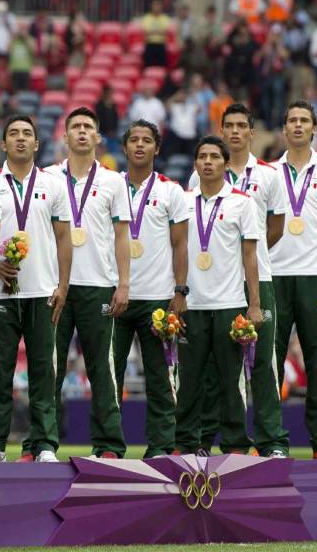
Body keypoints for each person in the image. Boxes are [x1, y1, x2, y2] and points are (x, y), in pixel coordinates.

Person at [188, 104, 289, 456]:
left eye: (240, 126)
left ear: (250, 132)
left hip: (257, 278)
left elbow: (275, 227)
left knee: (262, 362)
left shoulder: (269, 175)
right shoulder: (202, 173)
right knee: (215, 366)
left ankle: (271, 440)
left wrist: (249, 253)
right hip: (214, 284)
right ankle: (205, 439)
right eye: (227, 125)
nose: (234, 131)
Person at [0, 115, 71, 462]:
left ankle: (45, 443)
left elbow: (64, 239)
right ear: (3, 144)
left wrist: (63, 285)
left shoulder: (54, 184)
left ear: (37, 144)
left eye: (27, 134)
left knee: (43, 372)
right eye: (13, 134)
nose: (21, 139)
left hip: (42, 290)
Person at [174, 135, 262, 455]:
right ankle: (186, 442)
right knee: (190, 379)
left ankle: (235, 442)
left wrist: (254, 304)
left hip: (230, 304)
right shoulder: (182, 201)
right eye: (203, 156)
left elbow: (250, 256)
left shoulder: (242, 202)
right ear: (195, 164)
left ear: (226, 164)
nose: (208, 161)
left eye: (214, 156)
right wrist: (177, 294)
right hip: (192, 302)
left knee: (230, 380)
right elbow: (175, 249)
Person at [52, 107, 130, 458]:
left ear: (98, 137)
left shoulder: (114, 181)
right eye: (76, 127)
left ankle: (109, 444)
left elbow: (121, 236)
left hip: (99, 283)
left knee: (103, 367)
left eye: (88, 127)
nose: (82, 132)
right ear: (65, 136)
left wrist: (124, 283)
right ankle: (43, 443)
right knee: (48, 367)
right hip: (55, 285)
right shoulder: (48, 178)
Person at [269, 101, 317, 458]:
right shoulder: (268, 174)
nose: (298, 126)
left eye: (304, 121)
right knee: (271, 362)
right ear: (284, 128)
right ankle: (272, 441)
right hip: (275, 276)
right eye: (291, 120)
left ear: (314, 128)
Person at [114, 121, 188, 458]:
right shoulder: (110, 187)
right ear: (125, 147)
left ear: (158, 149)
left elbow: (180, 245)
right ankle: (109, 446)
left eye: (147, 141)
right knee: (108, 376)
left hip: (157, 297)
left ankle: (160, 446)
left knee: (160, 377)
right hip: (115, 296)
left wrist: (180, 291)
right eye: (134, 140)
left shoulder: (171, 191)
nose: (140, 146)